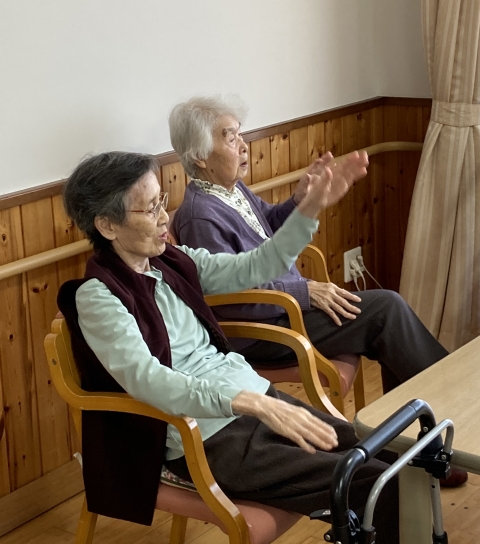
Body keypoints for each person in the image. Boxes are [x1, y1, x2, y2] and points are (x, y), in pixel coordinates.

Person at [58, 149, 400, 543]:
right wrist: (247, 402)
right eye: (150, 209)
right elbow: (149, 380)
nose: (165, 217)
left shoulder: (174, 260)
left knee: (389, 454)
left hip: (254, 401)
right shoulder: (98, 297)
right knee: (376, 483)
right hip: (205, 438)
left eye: (161, 202)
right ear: (107, 225)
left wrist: (309, 209)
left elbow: (257, 265)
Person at [169, 95, 449, 395]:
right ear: (200, 156)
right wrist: (304, 292)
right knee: (385, 311)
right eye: (230, 138)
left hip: (286, 310)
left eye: (241, 134)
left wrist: (299, 200)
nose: (244, 145)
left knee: (387, 322)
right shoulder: (200, 216)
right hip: (262, 331)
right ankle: (450, 394)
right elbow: (230, 297)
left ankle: (423, 411)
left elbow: (268, 225)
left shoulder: (231, 189)